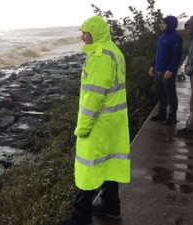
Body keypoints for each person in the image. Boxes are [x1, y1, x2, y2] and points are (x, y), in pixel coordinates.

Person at [59, 16, 130, 225]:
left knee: (87, 168)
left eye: (85, 32)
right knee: (108, 164)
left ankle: (81, 217)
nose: (82, 37)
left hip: (99, 124)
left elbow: (93, 98)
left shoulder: (99, 57)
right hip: (114, 122)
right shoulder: (114, 51)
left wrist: (82, 128)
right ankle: (111, 207)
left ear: (95, 33)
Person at [148, 16, 183, 125]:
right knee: (161, 94)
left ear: (170, 24)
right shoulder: (162, 36)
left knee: (170, 94)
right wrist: (153, 66)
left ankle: (172, 117)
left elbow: (177, 56)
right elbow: (159, 54)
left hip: (167, 71)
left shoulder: (176, 37)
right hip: (158, 69)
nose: (161, 25)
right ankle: (161, 114)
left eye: (163, 23)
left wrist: (171, 69)